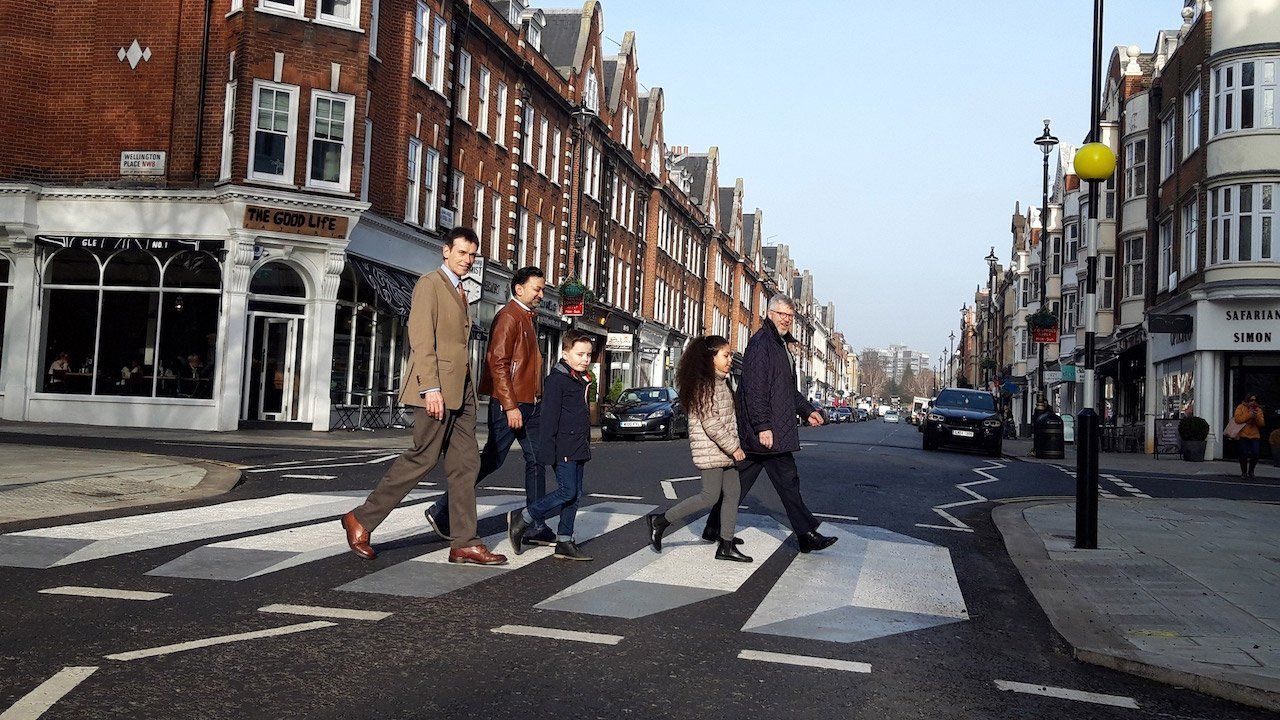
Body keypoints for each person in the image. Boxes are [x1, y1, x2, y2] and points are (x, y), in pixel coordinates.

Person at [341, 227, 506, 566]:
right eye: (462, 253)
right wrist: (430, 387)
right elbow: (421, 339)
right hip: (437, 391)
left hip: (462, 392)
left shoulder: (461, 291)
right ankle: (361, 519)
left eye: (472, 255)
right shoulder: (430, 284)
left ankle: (464, 542)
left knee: (466, 465)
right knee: (423, 457)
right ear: (446, 251)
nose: (467, 260)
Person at [424, 266, 552, 546]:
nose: (541, 294)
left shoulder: (528, 317)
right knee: (492, 459)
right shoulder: (509, 317)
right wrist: (510, 405)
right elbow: (498, 363)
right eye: (537, 289)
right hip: (512, 403)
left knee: (537, 460)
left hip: (528, 403)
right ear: (519, 289)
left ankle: (534, 522)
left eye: (542, 289)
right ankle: (442, 508)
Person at [703, 295, 837, 553]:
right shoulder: (761, 344)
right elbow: (754, 390)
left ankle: (714, 526)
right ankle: (806, 534)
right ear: (770, 313)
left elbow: (786, 390)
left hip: (771, 431)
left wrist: (808, 411)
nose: (787, 319)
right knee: (788, 481)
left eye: (790, 315)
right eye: (782, 314)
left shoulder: (781, 346)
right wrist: (763, 426)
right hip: (768, 432)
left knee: (740, 481)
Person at [646, 335, 752, 562]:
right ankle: (660, 521)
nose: (729, 359)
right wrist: (734, 447)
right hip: (712, 450)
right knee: (709, 497)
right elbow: (711, 423)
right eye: (725, 355)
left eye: (730, 355)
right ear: (711, 358)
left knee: (733, 493)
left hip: (723, 450)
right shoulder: (704, 385)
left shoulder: (720, 381)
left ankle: (726, 543)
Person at [506, 330, 595, 561]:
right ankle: (524, 517)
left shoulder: (581, 379)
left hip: (578, 446)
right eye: (580, 354)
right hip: (563, 446)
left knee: (575, 495)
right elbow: (548, 418)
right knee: (567, 491)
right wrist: (547, 451)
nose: (585, 359)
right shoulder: (557, 380)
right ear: (565, 353)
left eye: (588, 355)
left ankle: (564, 540)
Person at [1233, 393, 1265, 479]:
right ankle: (1244, 472)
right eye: (1251, 400)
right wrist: (1249, 415)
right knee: (1243, 454)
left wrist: (1256, 417)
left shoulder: (1258, 410)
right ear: (1247, 400)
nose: (1253, 402)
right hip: (1243, 434)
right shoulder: (1241, 407)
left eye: (1255, 400)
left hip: (1254, 435)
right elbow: (1238, 419)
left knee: (1255, 453)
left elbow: (1262, 423)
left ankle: (1251, 470)